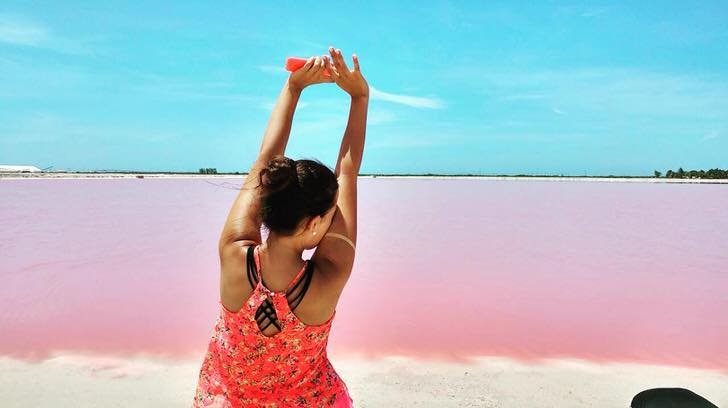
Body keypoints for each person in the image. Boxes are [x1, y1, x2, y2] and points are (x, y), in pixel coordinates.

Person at [193, 45, 368, 407]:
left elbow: (264, 162)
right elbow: (347, 173)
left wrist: (293, 88)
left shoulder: (233, 252)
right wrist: (359, 96)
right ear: (314, 223)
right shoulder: (329, 276)